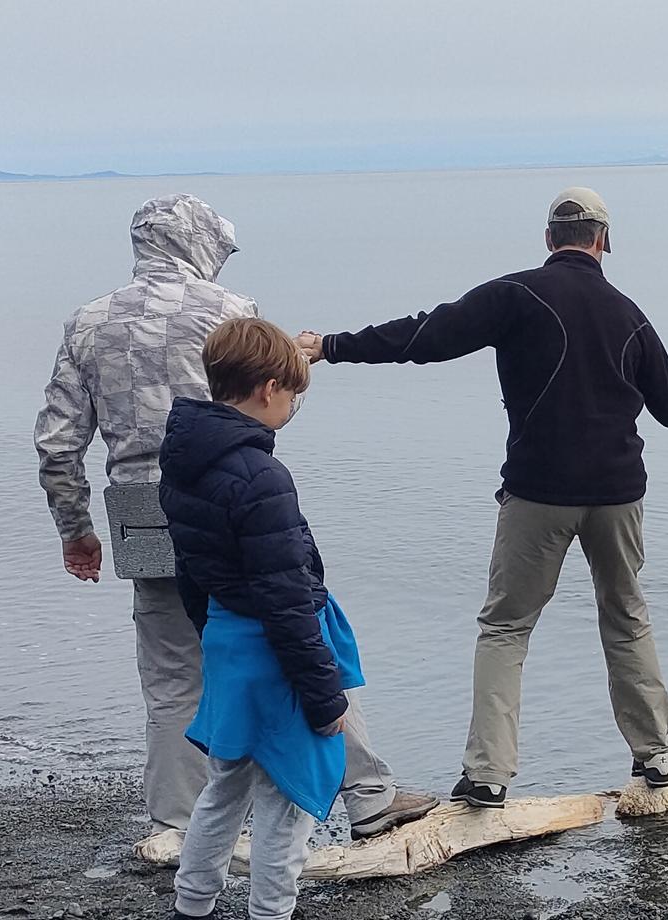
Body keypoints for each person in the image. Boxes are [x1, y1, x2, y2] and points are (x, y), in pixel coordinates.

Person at [297, 187, 668, 807]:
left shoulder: (516, 295)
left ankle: (489, 774)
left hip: (537, 494)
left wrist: (331, 345)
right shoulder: (630, 315)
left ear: (549, 239)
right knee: (627, 618)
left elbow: (425, 337)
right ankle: (656, 756)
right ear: (604, 242)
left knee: (505, 627)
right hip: (616, 496)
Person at [32, 195, 435, 839]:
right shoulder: (229, 311)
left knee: (171, 672)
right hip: (230, 499)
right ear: (199, 243)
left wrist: (74, 528)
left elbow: (57, 441)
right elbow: (269, 400)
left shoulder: (88, 321)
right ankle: (367, 794)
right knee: (302, 630)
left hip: (138, 506)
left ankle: (178, 826)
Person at [159, 318, 366, 920]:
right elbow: (286, 599)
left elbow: (189, 571)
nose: (292, 407)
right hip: (276, 654)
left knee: (224, 787)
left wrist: (211, 637)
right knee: (286, 799)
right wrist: (325, 698)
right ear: (268, 389)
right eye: (294, 395)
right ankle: (271, 912)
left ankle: (191, 906)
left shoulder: (183, 462)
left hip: (227, 641)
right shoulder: (261, 475)